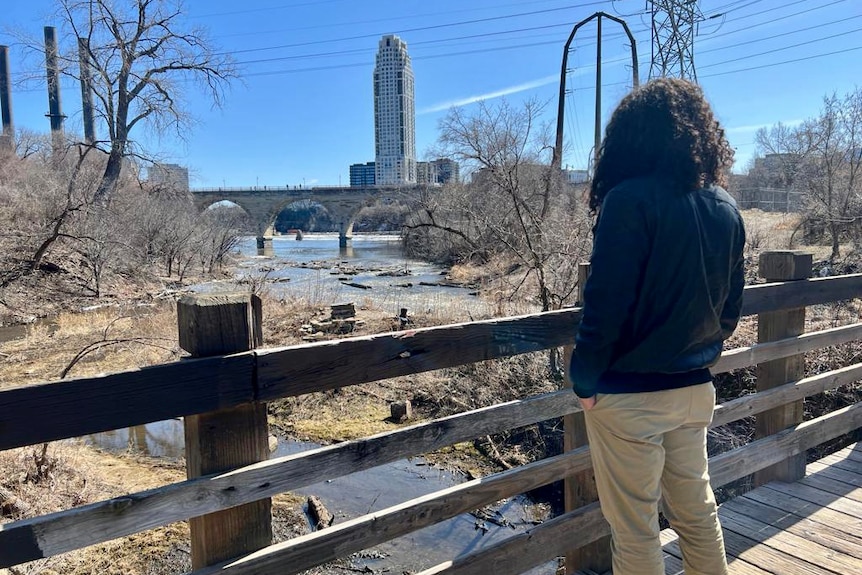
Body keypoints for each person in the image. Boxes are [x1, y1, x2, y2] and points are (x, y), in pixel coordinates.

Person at [568, 77, 745, 575]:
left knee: (636, 529)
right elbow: (729, 311)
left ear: (631, 135)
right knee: (697, 511)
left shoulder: (627, 200)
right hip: (692, 390)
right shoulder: (724, 206)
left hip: (628, 398)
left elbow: (604, 308)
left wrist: (584, 381)